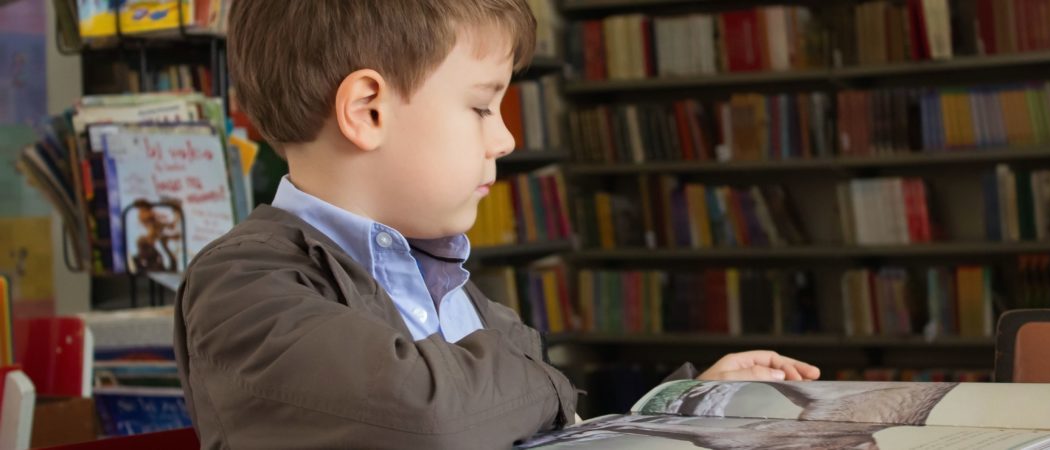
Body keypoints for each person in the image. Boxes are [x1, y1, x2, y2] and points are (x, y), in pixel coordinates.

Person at [172, 1, 821, 448]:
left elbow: (535, 424)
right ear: (368, 111)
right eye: (482, 106)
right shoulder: (240, 284)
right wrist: (543, 380)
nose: (505, 137)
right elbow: (430, 418)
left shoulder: (446, 281)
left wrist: (676, 406)